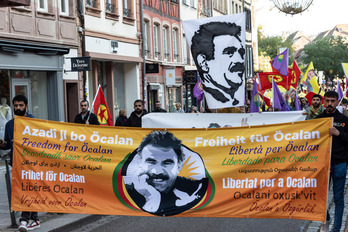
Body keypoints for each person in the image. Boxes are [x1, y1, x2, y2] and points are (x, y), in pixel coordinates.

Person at [123, 131, 208, 216]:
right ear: (139, 163)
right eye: (151, 162)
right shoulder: (127, 192)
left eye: (167, 163)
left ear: (179, 165)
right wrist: (152, 198)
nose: (158, 171)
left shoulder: (195, 189)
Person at [0, 95, 40, 231]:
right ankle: (35, 219)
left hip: (30, 163)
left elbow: (38, 143)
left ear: (26, 106)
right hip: (16, 163)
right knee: (26, 191)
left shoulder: (32, 121)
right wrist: (2, 144)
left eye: (21, 105)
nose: (18, 108)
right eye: (16, 105)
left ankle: (24, 220)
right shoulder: (9, 124)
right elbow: (7, 145)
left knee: (27, 191)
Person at [191, 21, 245, 106]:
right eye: (229, 52)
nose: (240, 60)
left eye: (241, 53)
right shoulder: (214, 101)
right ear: (204, 63)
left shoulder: (234, 100)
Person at [316, 91, 348, 232]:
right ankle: (327, 218)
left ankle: (336, 228)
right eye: (327, 101)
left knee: (338, 197)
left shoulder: (344, 119)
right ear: (324, 102)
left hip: (340, 162)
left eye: (332, 101)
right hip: (323, 163)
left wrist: (339, 133)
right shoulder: (318, 118)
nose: (329, 104)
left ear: (337, 102)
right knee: (318, 195)